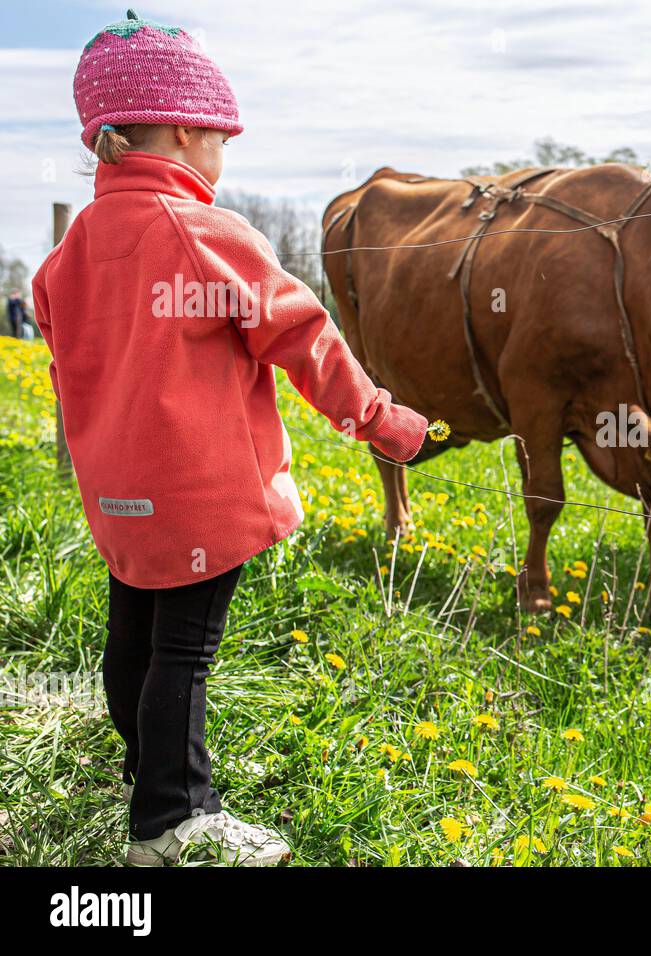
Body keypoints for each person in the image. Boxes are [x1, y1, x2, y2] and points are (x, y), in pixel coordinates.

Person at [32, 9, 429, 866]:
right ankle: (174, 821)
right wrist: (387, 423)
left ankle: (151, 781)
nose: (224, 155)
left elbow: (69, 376)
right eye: (221, 137)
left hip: (117, 497)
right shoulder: (208, 236)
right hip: (201, 496)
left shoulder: (67, 255)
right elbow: (309, 340)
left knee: (132, 639)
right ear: (183, 132)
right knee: (184, 651)